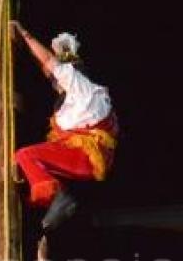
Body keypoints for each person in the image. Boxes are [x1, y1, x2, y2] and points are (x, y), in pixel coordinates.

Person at [10, 21, 119, 231]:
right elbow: (48, 68)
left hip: (84, 156)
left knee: (26, 155)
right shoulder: (78, 98)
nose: (54, 81)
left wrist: (25, 34)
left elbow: (50, 62)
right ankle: (47, 203)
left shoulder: (81, 87)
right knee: (31, 165)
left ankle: (60, 198)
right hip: (82, 157)